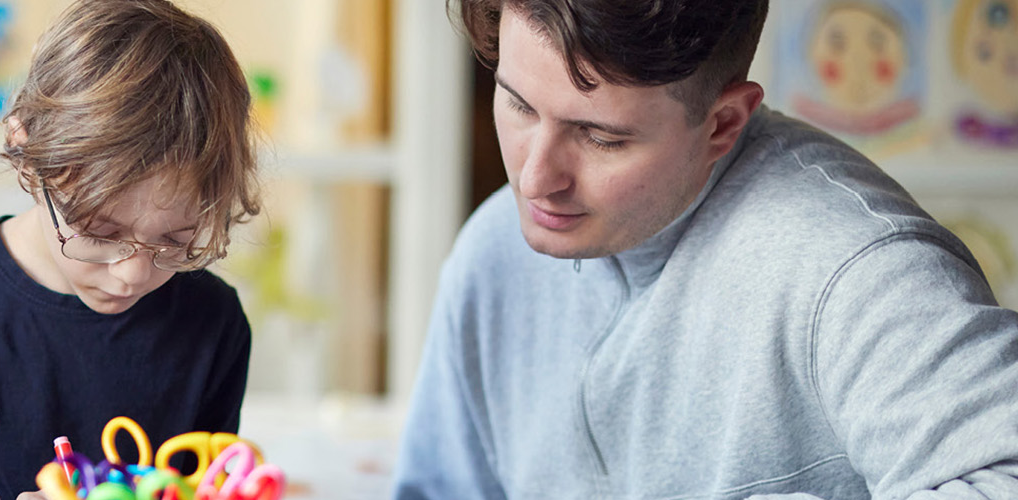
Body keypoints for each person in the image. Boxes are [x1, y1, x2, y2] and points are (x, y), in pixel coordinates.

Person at [392, 0, 1018, 497]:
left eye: (601, 137)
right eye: (519, 104)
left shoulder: (863, 270)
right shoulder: (493, 250)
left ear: (722, 124)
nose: (534, 179)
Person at [0, 0, 262, 496]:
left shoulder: (212, 322)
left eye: (176, 241)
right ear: (27, 154)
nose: (132, 273)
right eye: (101, 232)